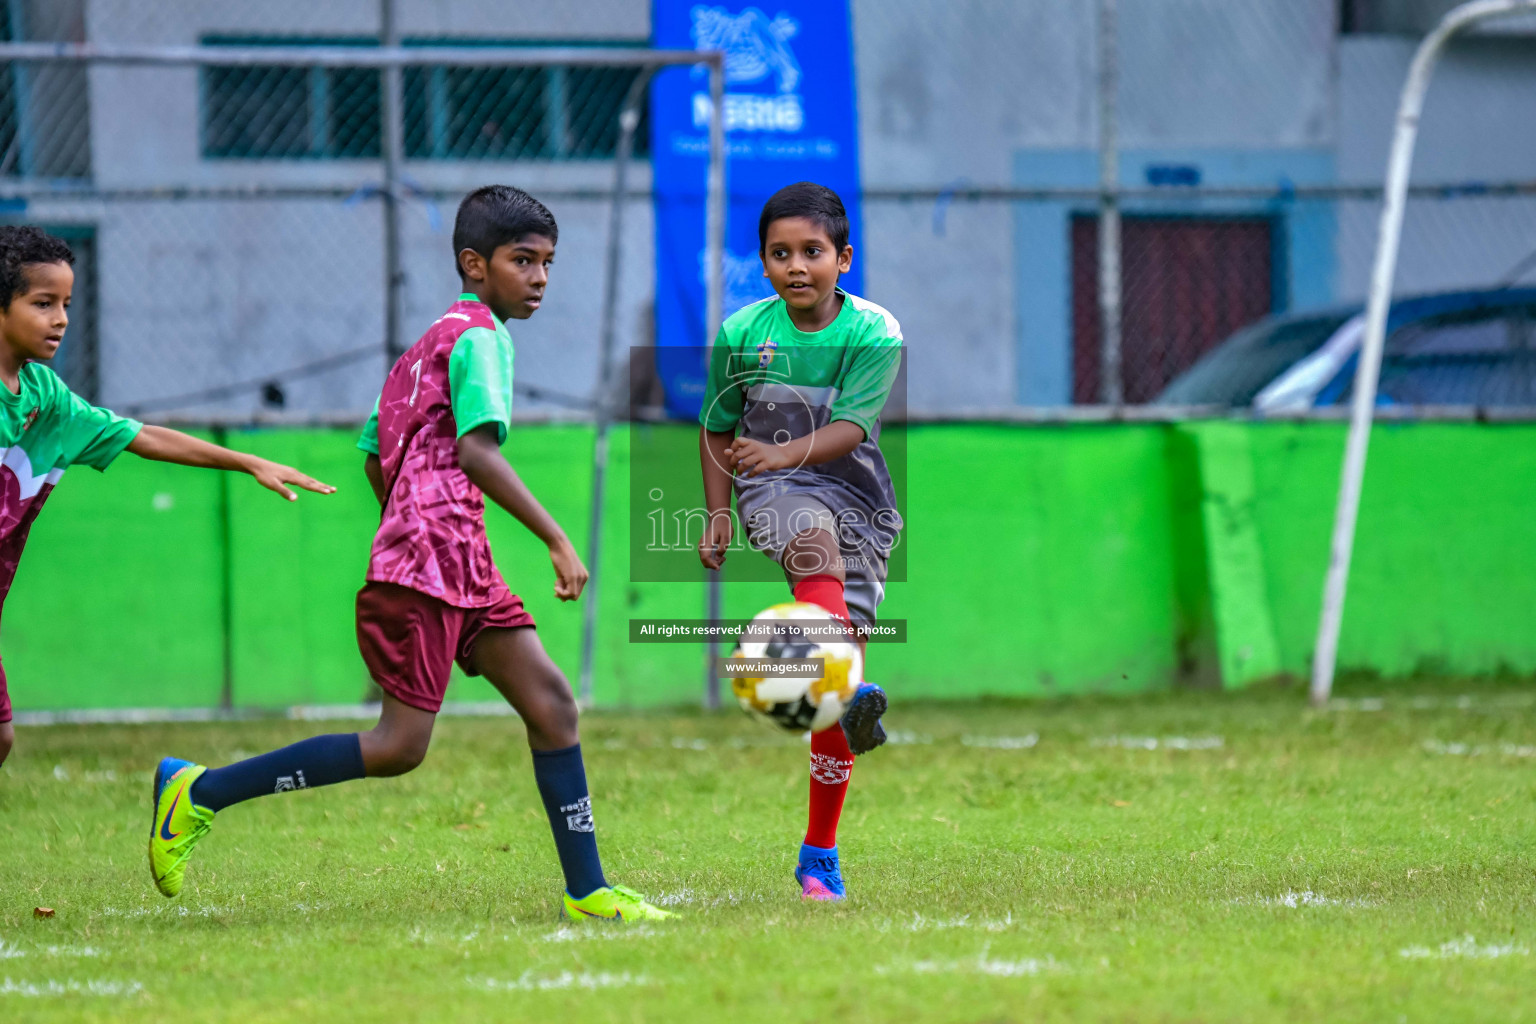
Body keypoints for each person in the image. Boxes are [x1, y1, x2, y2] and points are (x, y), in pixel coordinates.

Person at [149, 186, 671, 922]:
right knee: (399, 747)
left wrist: (419, 515)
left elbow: (374, 453)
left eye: (549, 263)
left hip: (456, 560)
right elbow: (476, 451)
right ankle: (198, 792)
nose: (541, 278)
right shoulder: (479, 338)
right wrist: (553, 537)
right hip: (431, 561)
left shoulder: (430, 343)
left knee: (553, 706)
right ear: (475, 264)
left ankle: (587, 890)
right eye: (524, 261)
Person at [0, 226, 333, 768]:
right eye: (43, 303)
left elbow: (143, 437)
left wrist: (249, 461)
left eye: (66, 303)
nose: (61, 318)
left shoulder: (47, 397)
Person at [698, 181, 904, 901]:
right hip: (772, 487)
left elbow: (852, 428)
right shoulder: (742, 334)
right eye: (780, 253)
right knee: (812, 546)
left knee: (830, 707)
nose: (796, 266)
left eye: (811, 252)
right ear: (762, 264)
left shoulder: (876, 332)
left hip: (859, 498)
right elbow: (719, 428)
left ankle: (819, 853)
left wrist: (789, 454)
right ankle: (844, 678)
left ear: (843, 258)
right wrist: (718, 513)